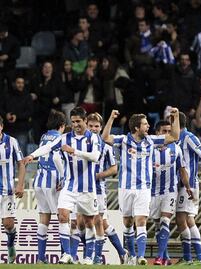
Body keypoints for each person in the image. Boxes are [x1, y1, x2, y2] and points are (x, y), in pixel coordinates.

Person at [102, 108, 181, 265]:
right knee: (127, 223)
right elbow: (105, 137)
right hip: (125, 187)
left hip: (144, 188)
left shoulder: (151, 140)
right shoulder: (123, 140)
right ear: (137, 127)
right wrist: (111, 118)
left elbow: (174, 136)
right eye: (145, 124)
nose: (148, 126)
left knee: (141, 221)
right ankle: (131, 254)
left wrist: (176, 117)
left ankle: (141, 256)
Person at [23, 107, 101, 265]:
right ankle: (66, 254)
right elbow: (48, 147)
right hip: (69, 186)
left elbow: (95, 157)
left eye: (78, 121)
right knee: (63, 215)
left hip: (87, 189)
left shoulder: (93, 138)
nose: (75, 125)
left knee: (89, 222)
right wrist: (32, 155)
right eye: (73, 122)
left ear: (85, 121)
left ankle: (88, 257)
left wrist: (75, 151)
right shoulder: (65, 137)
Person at [86, 113, 128, 265]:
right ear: (86, 125)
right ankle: (123, 252)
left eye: (96, 126)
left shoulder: (106, 147)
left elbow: (113, 169)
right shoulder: (79, 143)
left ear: (101, 127)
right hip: (81, 189)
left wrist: (97, 175)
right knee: (100, 223)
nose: (93, 129)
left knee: (97, 221)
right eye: (91, 126)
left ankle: (96, 258)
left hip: (98, 189)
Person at [150, 120, 193, 266]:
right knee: (157, 225)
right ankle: (166, 257)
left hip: (170, 191)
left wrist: (188, 187)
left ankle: (159, 257)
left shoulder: (176, 148)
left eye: (170, 131)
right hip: (152, 192)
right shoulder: (150, 148)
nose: (168, 134)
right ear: (157, 133)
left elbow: (182, 170)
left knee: (165, 220)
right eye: (164, 131)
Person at [175, 112, 201, 265]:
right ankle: (198, 258)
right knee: (188, 219)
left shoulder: (189, 137)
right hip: (180, 185)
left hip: (189, 184)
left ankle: (191, 257)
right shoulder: (175, 137)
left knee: (182, 219)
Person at [33, 111, 66, 264]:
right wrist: (62, 177)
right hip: (53, 180)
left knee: (43, 218)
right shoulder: (60, 138)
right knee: (62, 218)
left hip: (39, 180)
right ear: (62, 125)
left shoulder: (43, 136)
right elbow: (56, 157)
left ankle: (40, 258)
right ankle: (64, 255)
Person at [0, 115, 25, 264]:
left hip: (7, 191)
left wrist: (20, 184)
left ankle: (10, 246)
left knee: (8, 224)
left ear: (1, 126)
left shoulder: (12, 141)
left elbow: (21, 164)